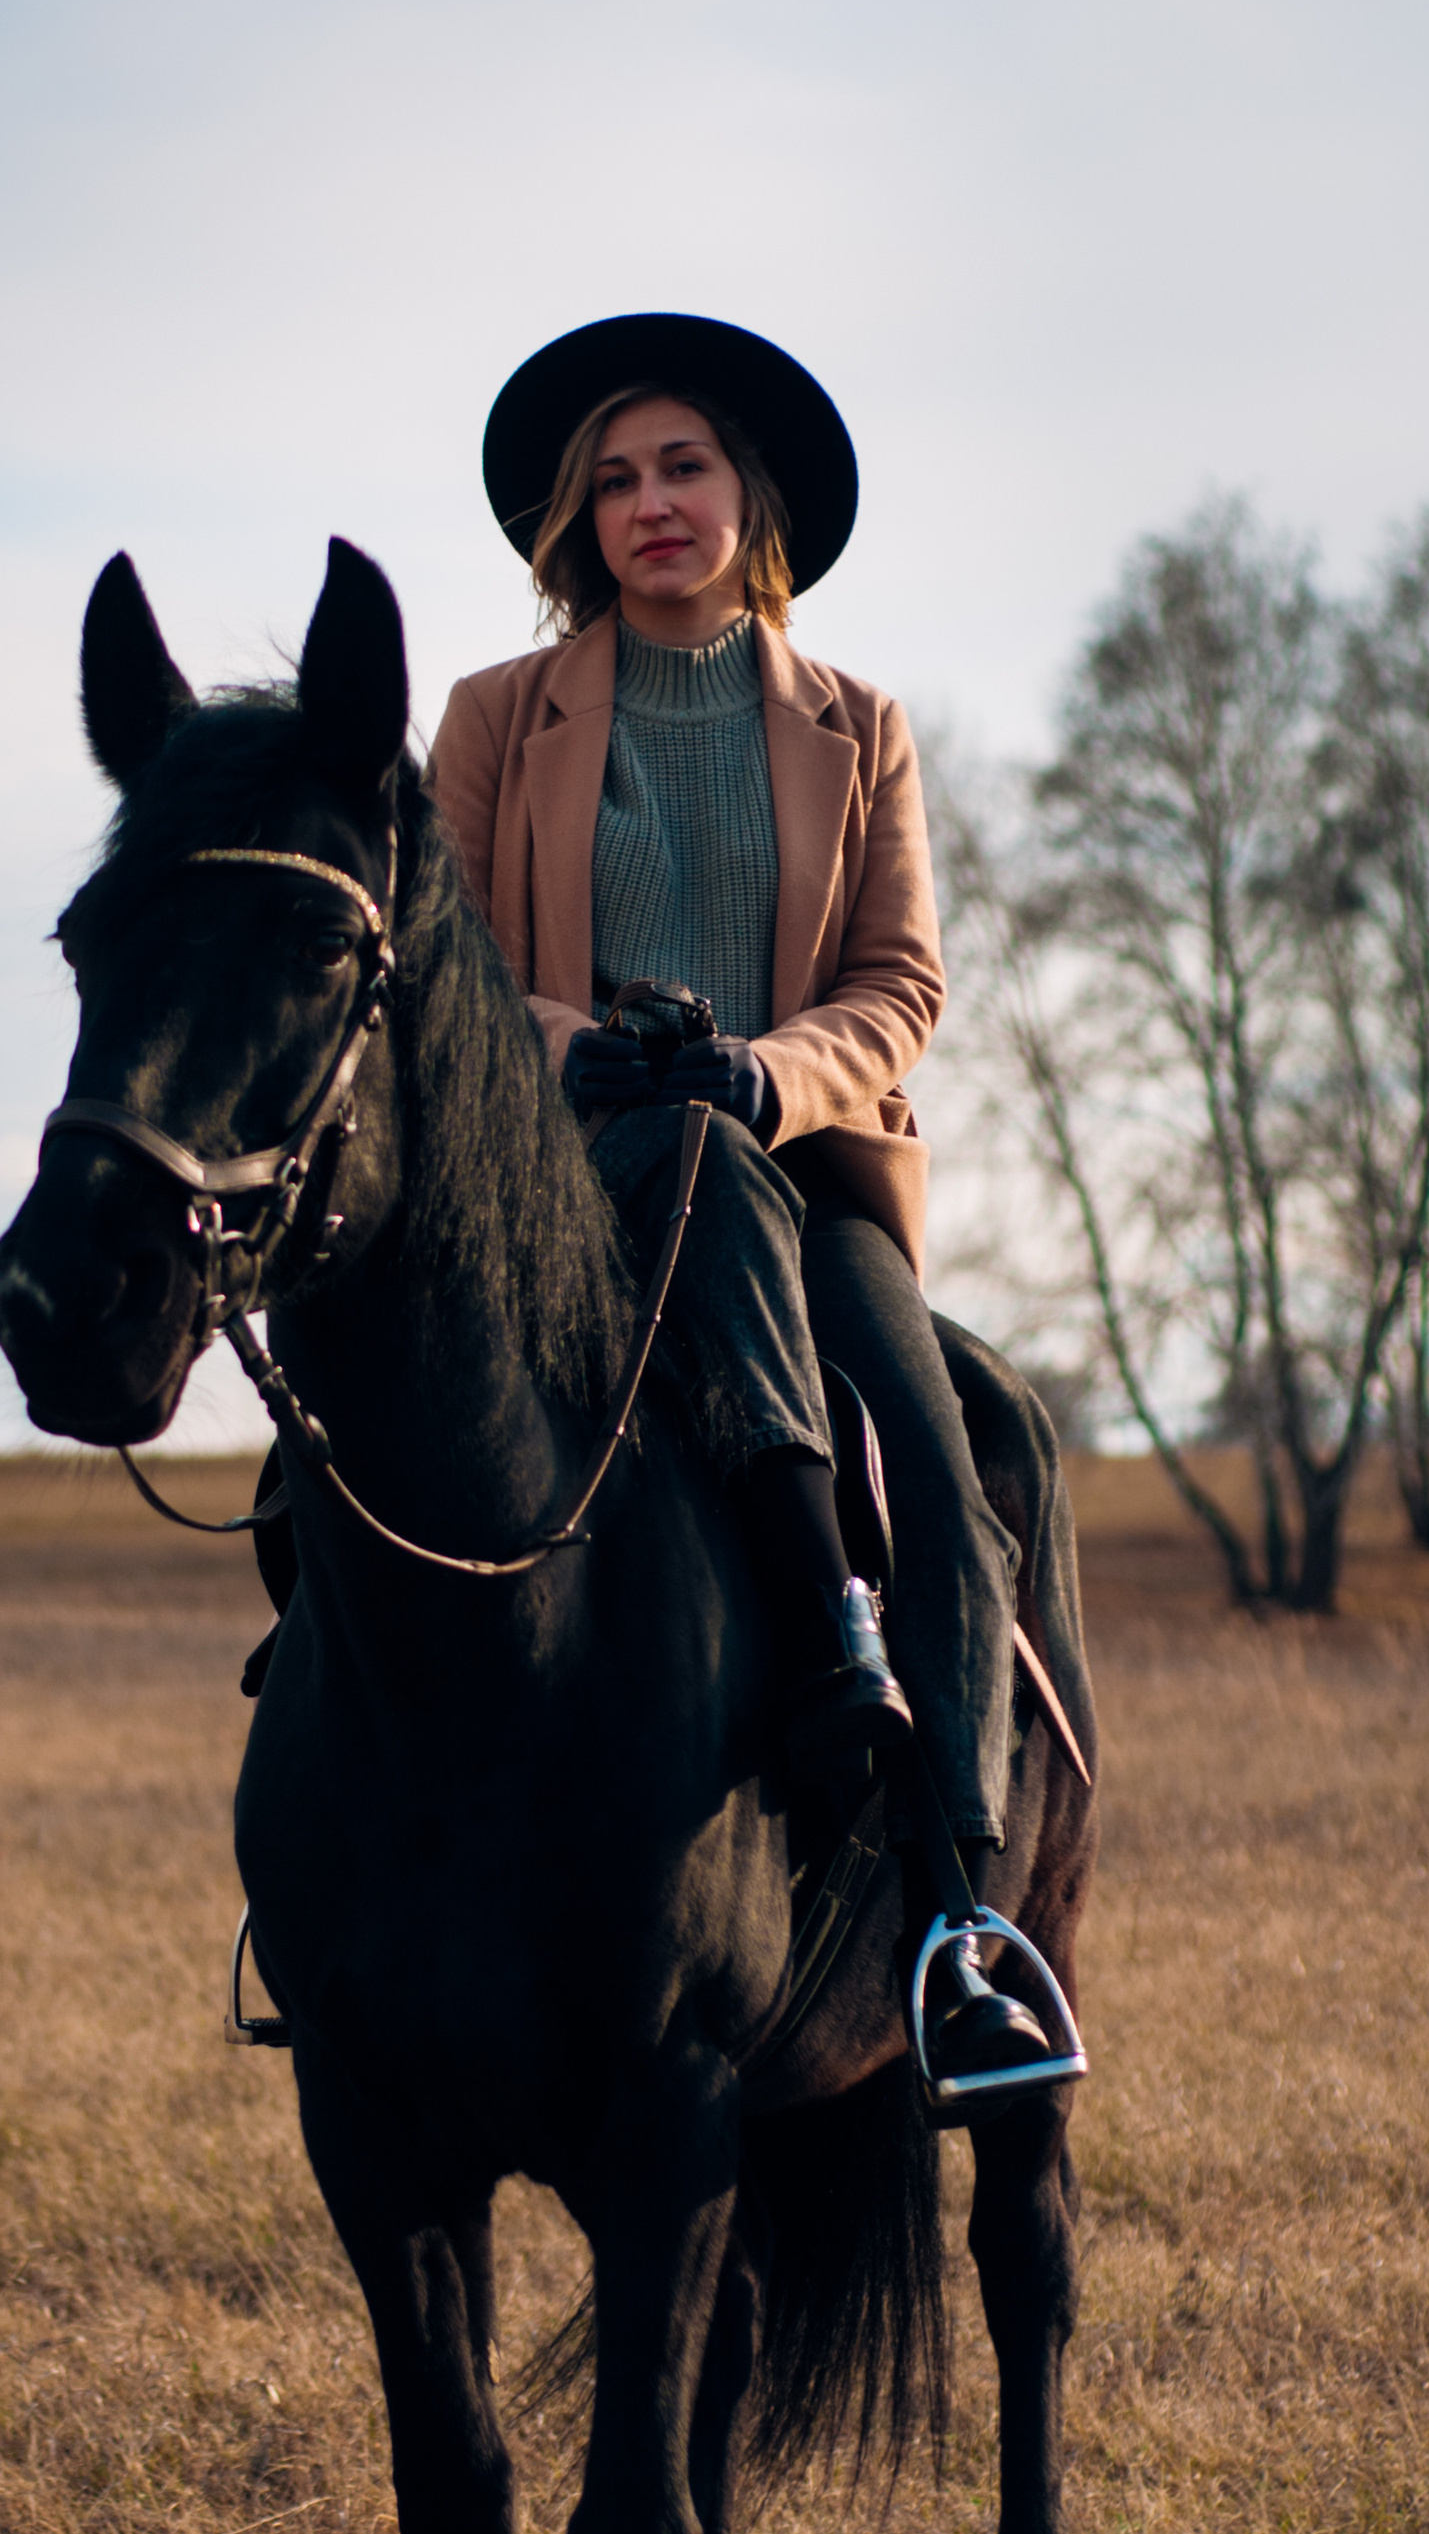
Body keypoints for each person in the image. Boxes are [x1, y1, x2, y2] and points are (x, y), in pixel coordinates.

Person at [428, 312, 1042, 2089]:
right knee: (337, 1456)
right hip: (563, 1173)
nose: (649, 504)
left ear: (747, 493)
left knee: (936, 1470)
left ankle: (957, 1929)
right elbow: (446, 956)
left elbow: (902, 981)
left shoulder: (863, 728)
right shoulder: (490, 717)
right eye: (612, 482)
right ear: (577, 522)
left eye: (681, 466)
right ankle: (338, 1891)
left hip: (797, 1169)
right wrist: (570, 1049)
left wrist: (764, 1074)